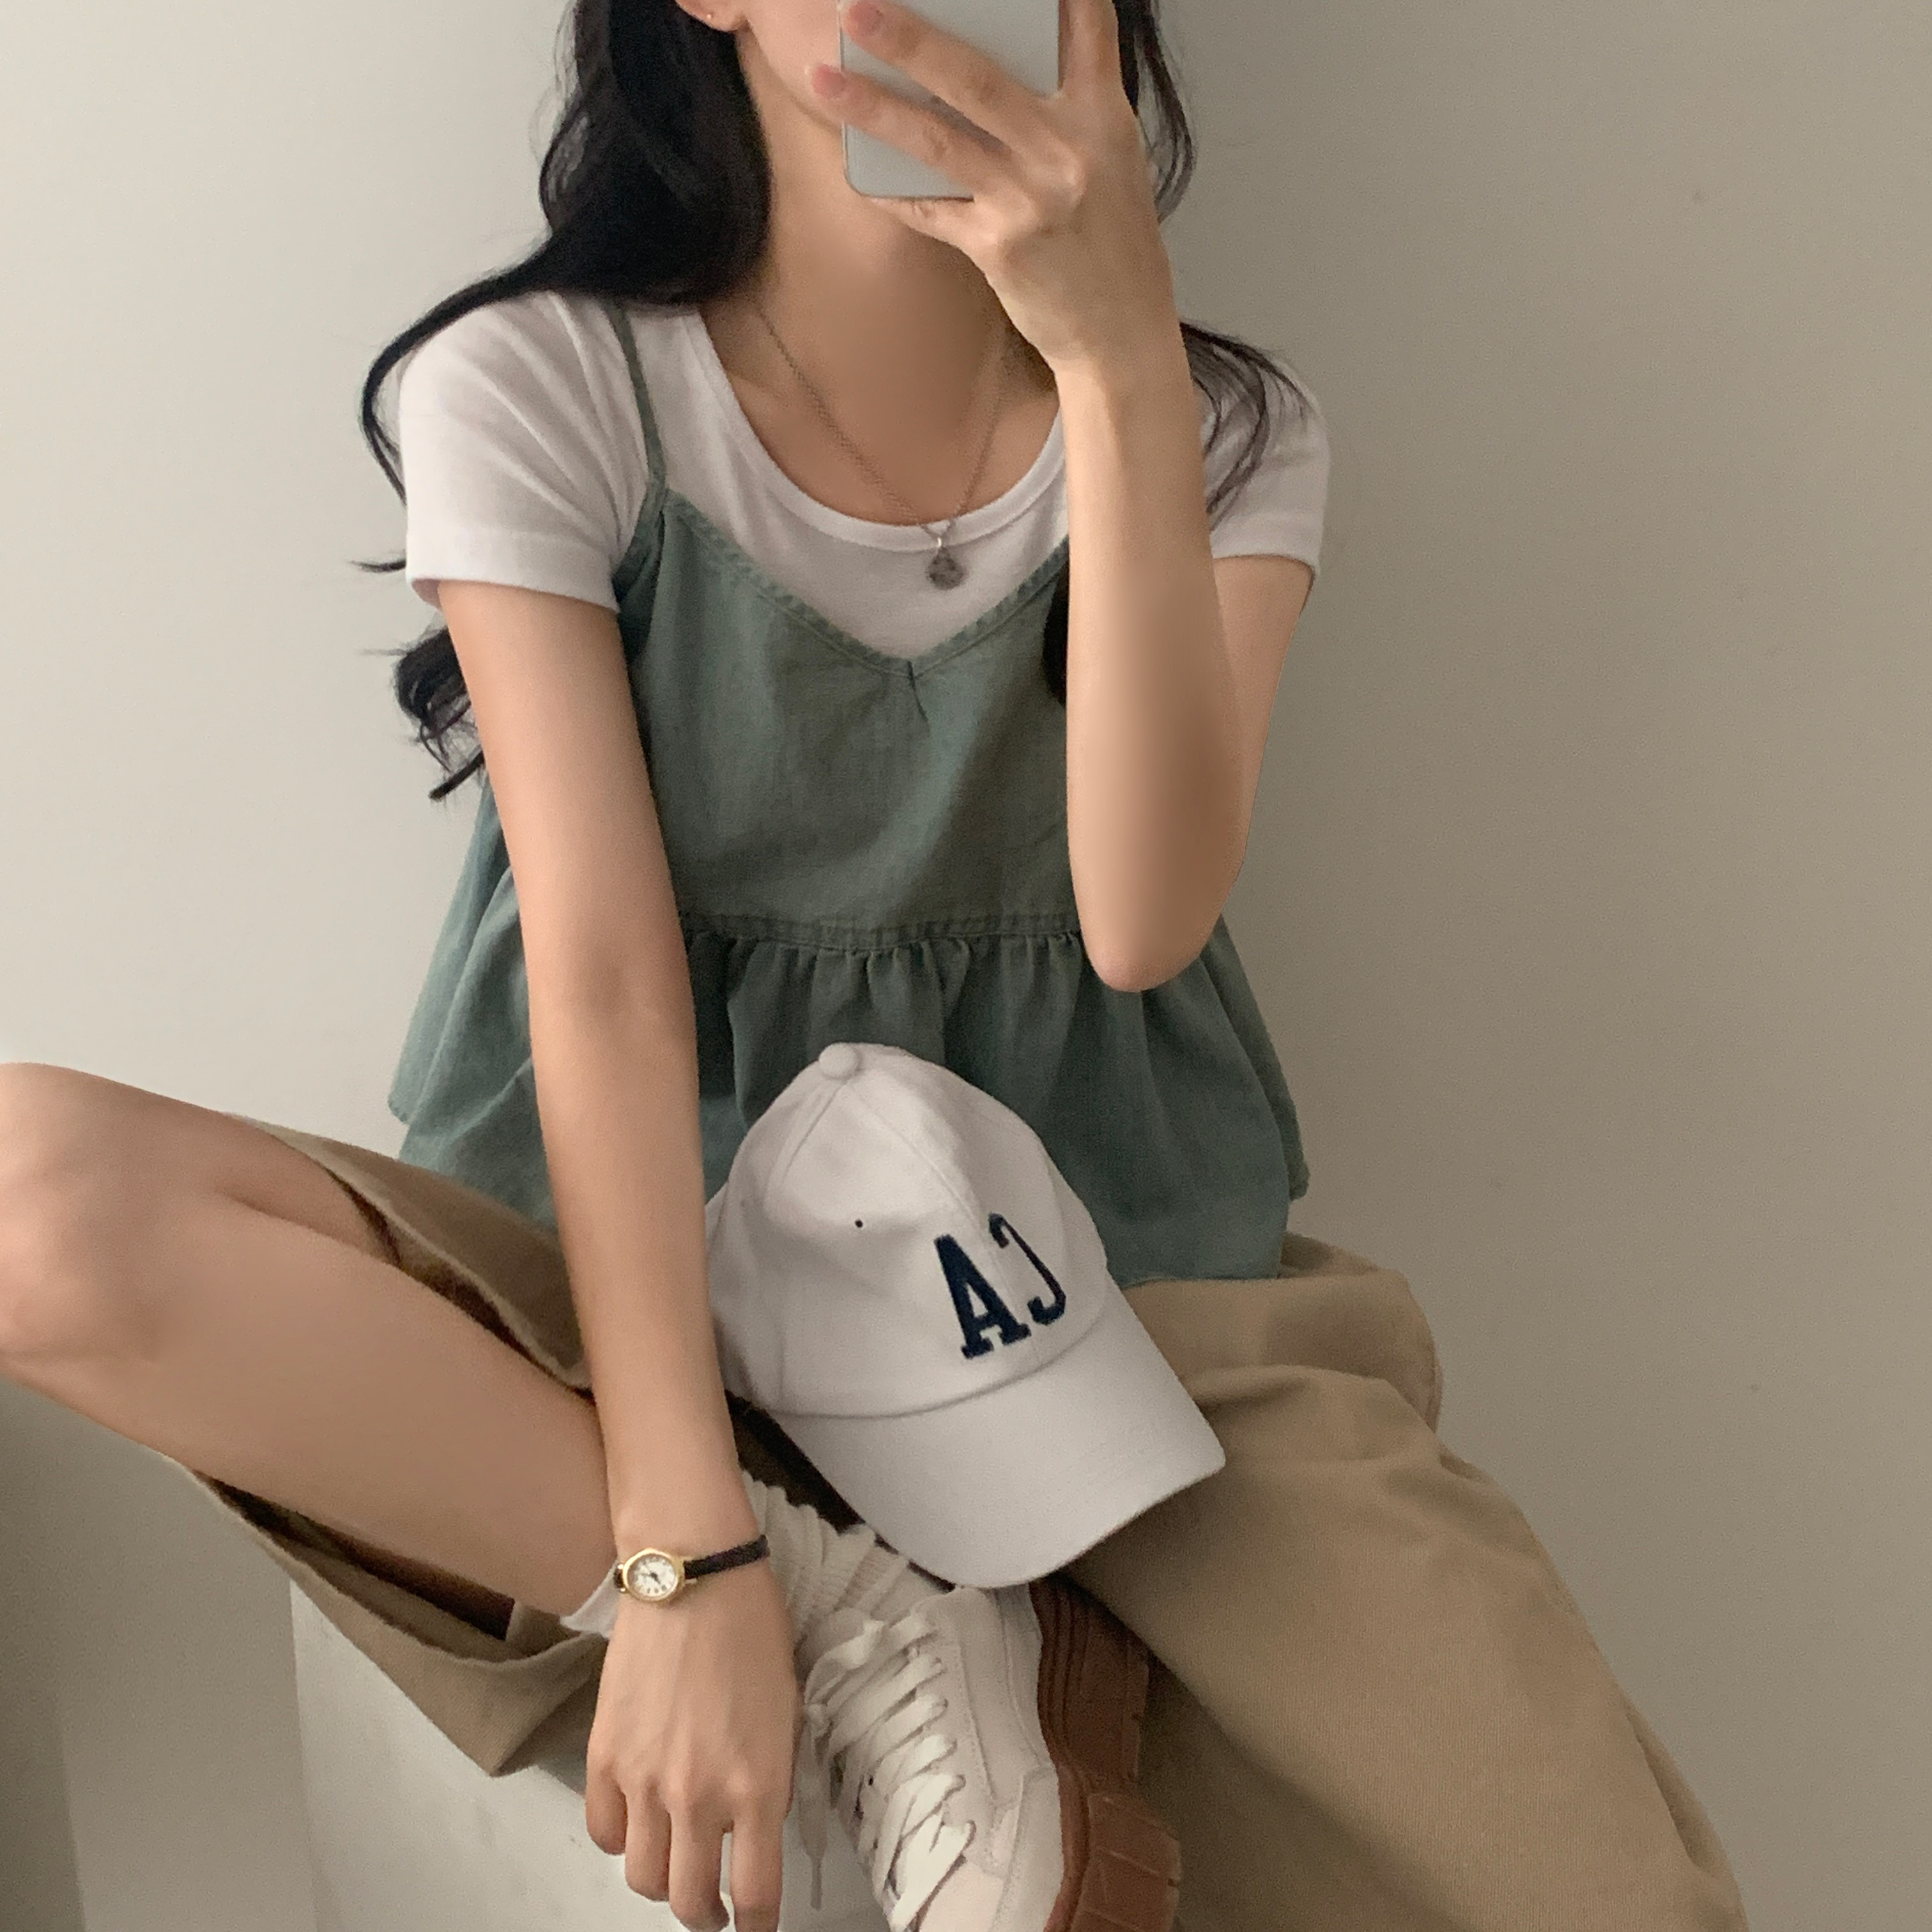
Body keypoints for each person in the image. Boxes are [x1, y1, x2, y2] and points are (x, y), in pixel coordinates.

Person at [0, 2, 1751, 1929]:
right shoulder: (548, 386)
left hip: (1105, 1304)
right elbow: (605, 982)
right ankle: (858, 1616)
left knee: (1609, 1889)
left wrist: (1116, 363)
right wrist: (681, 1555)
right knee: (27, 1205)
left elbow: (1141, 917)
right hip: (630, 1301)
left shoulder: (1225, 432)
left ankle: (931, 1628)